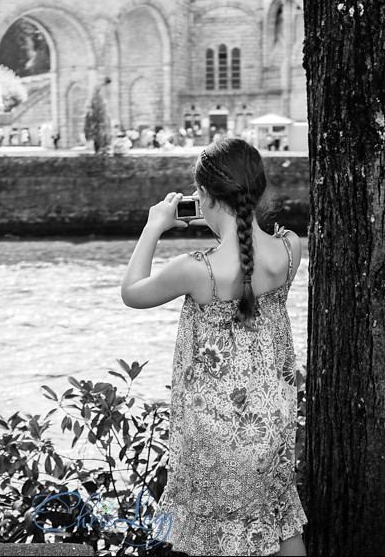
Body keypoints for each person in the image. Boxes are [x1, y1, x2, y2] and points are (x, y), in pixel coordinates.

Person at [120, 137, 307, 556]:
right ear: (258, 192)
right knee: (277, 510)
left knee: (215, 529)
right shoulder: (290, 248)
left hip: (214, 424)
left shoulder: (196, 269)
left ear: (203, 197)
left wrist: (154, 225)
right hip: (272, 414)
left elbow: (131, 292)